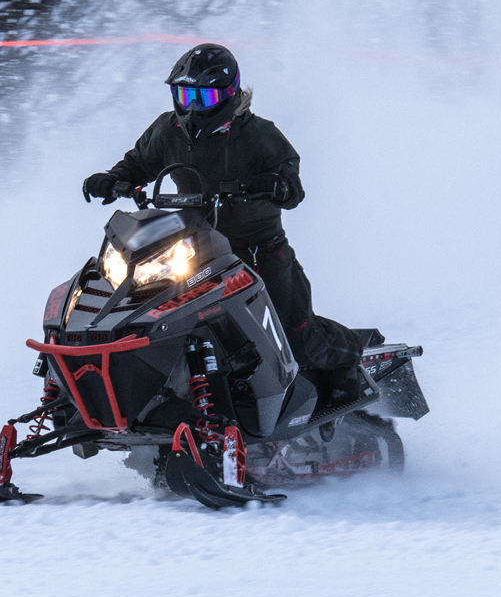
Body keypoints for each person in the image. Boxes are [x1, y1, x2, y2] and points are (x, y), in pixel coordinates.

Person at [83, 43, 372, 402]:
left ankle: (347, 359)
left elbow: (292, 189)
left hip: (258, 249)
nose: (192, 107)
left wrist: (275, 185)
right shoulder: (168, 129)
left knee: (291, 335)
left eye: (202, 97)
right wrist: (113, 179)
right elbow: (138, 162)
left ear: (228, 95)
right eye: (184, 94)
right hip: (194, 247)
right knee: (154, 312)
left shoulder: (259, 135)